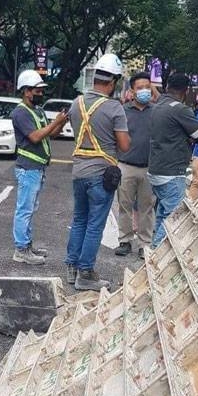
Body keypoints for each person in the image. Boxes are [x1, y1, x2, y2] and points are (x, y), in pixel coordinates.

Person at [64, 53, 131, 291]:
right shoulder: (114, 108)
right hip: (101, 175)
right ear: (112, 82)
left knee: (79, 219)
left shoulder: (76, 103)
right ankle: (86, 274)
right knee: (95, 224)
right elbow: (124, 146)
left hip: (79, 171)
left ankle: (72, 267)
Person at [10, 69, 69, 265]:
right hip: (28, 168)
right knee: (24, 210)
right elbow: (35, 137)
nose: (40, 93)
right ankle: (21, 250)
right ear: (26, 91)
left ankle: (27, 245)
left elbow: (50, 135)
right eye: (37, 90)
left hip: (38, 168)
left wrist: (60, 124)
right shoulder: (20, 112)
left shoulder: (38, 111)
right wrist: (55, 122)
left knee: (30, 209)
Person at [147, 72, 198, 248]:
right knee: (173, 217)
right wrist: (188, 137)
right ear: (186, 90)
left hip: (156, 169)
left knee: (162, 214)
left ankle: (155, 250)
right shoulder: (180, 109)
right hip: (172, 172)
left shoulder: (157, 106)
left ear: (167, 87)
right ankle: (155, 253)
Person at [114, 72, 156, 259]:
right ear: (132, 90)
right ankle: (125, 240)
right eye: (140, 88)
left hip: (150, 167)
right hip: (126, 165)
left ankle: (144, 243)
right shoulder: (123, 111)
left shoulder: (156, 111)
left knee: (147, 207)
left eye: (148, 86)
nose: (145, 91)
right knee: (125, 205)